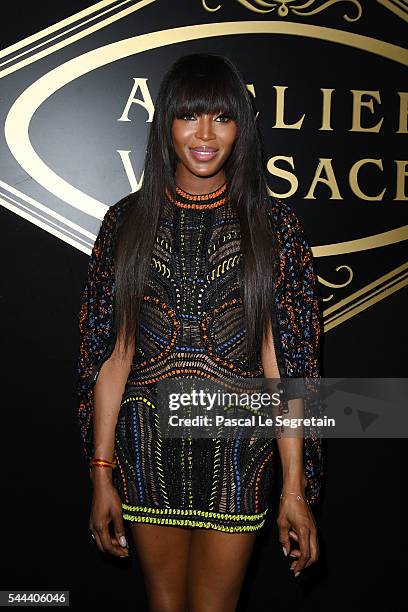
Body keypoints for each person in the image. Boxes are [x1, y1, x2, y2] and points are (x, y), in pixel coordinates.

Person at [77, 53, 324, 612]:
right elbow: (113, 359)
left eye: (222, 116)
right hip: (145, 450)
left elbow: (283, 369)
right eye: (190, 116)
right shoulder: (126, 221)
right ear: (166, 123)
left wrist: (293, 489)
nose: (205, 133)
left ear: (241, 127)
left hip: (239, 451)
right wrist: (100, 475)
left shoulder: (272, 226)